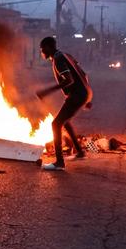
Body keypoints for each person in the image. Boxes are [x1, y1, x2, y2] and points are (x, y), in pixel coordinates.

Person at [35, 36, 93, 171]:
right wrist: (87, 96)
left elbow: (69, 80)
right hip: (82, 94)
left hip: (77, 95)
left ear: (48, 47)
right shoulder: (65, 55)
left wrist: (47, 91)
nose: (42, 52)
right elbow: (84, 74)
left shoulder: (58, 59)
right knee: (65, 121)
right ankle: (80, 152)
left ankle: (59, 163)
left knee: (55, 124)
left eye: (42, 49)